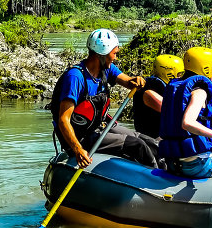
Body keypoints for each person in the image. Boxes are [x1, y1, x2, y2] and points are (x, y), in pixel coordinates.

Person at [51, 28, 159, 168]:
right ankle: (156, 177)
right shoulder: (75, 78)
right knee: (136, 145)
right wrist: (78, 149)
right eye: (114, 53)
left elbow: (126, 81)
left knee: (145, 139)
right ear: (101, 54)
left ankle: (168, 169)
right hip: (81, 138)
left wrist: (135, 80)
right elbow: (63, 120)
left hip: (99, 127)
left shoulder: (106, 68)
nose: (115, 57)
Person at [157, 46, 212, 179]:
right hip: (197, 164)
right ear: (206, 68)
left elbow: (188, 106)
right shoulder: (200, 92)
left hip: (173, 162)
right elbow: (187, 123)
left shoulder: (178, 86)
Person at [130, 54, 183, 140]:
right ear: (169, 74)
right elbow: (171, 110)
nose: (181, 78)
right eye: (179, 74)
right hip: (152, 139)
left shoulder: (163, 85)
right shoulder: (150, 88)